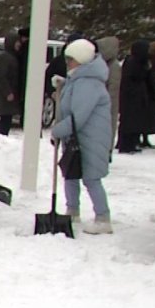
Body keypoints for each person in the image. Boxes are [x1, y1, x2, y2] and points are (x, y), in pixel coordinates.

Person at [50, 39, 113, 234]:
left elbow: (79, 117)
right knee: (70, 172)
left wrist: (57, 130)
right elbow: (72, 100)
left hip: (91, 138)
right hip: (77, 137)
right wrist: (63, 84)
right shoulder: (79, 78)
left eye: (71, 59)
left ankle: (103, 218)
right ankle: (72, 211)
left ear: (82, 59)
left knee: (91, 178)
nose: (67, 63)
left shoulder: (89, 83)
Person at [116, 40, 154, 154]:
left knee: (134, 122)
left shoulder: (136, 61)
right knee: (130, 122)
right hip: (132, 96)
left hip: (135, 96)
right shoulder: (134, 63)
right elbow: (137, 77)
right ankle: (127, 145)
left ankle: (131, 143)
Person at [95, 36, 121, 150]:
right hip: (104, 103)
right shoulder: (103, 64)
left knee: (107, 128)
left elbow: (113, 89)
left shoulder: (113, 66)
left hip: (108, 105)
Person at [0, 33, 22, 135]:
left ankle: (3, 138)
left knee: (7, 120)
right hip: (5, 95)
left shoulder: (12, 56)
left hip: (10, 94)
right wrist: (8, 92)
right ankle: (1, 138)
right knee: (5, 121)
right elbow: (1, 76)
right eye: (17, 42)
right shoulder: (5, 57)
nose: (19, 44)